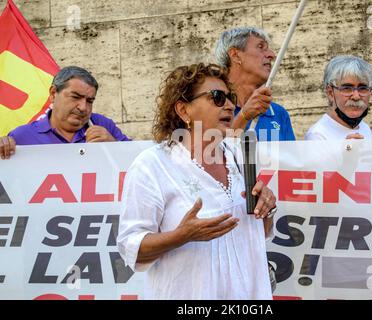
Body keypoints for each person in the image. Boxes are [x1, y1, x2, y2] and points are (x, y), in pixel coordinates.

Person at [117, 63, 277, 300]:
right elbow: (131, 247)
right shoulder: (153, 165)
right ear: (183, 110)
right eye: (217, 97)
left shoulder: (240, 155)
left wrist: (267, 209)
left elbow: (259, 233)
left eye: (231, 97)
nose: (231, 105)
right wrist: (182, 235)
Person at [0, 66, 130, 159]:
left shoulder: (103, 125)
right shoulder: (22, 136)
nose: (83, 107)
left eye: (90, 101)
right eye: (75, 97)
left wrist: (115, 147)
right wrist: (3, 148)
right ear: (53, 94)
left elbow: (137, 164)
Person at [215, 26, 295, 141]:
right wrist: (244, 116)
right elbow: (210, 153)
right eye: (261, 47)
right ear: (235, 55)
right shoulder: (213, 108)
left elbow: (290, 158)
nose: (272, 55)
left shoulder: (279, 114)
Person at [305, 55, 372, 140]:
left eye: (363, 88)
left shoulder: (364, 128)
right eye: (347, 88)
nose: (356, 97)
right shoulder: (318, 135)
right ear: (330, 93)